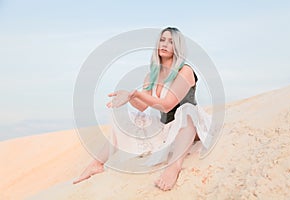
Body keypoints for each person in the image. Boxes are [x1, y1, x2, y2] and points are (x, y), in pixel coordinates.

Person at [73, 27, 212, 191]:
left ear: (178, 47)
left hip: (191, 127)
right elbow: (143, 106)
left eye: (171, 41)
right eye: (162, 40)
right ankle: (97, 164)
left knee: (186, 111)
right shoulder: (151, 75)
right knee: (132, 118)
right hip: (166, 130)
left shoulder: (185, 70)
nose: (165, 44)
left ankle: (173, 167)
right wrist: (131, 98)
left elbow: (167, 104)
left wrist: (137, 94)